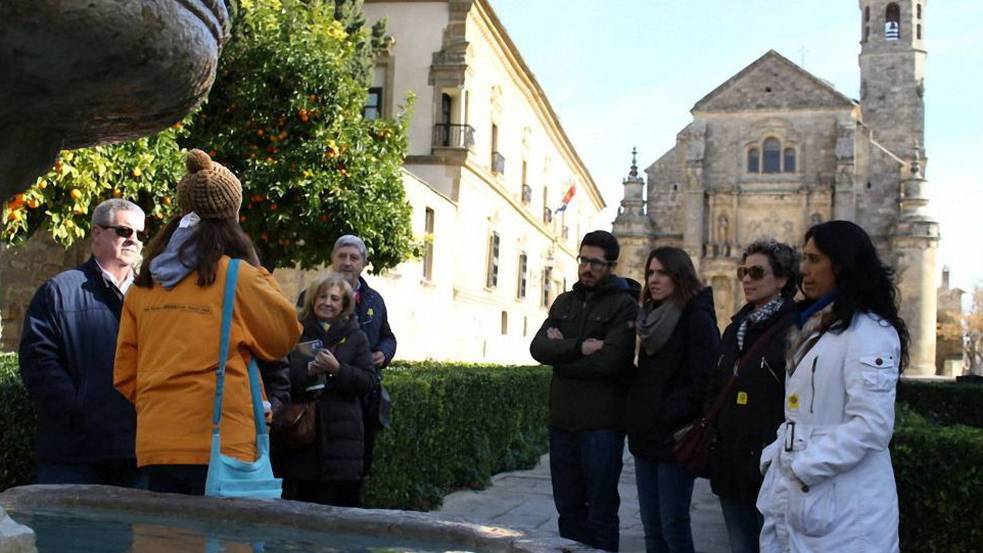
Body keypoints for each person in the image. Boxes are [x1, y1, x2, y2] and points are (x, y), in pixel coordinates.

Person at [114, 149, 301, 495]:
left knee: (163, 542)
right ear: (233, 216)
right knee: (225, 544)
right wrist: (256, 267)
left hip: (157, 443)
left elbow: (125, 374)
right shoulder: (239, 277)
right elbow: (284, 336)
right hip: (224, 443)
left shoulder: (144, 284)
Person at [756, 220, 907, 552]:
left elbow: (872, 426)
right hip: (805, 500)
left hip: (845, 510)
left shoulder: (869, 332)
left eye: (813, 260)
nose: (803, 270)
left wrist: (802, 467)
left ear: (841, 264)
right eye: (803, 259)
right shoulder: (816, 326)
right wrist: (778, 456)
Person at [19, 198, 147, 486]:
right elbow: (38, 363)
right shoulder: (59, 292)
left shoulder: (151, 295)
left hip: (137, 456)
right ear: (97, 234)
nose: (134, 241)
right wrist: (81, 411)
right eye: (125, 231)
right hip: (74, 456)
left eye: (140, 234)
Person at [529, 230, 640, 552]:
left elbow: (612, 361)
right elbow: (538, 348)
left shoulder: (624, 306)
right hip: (562, 424)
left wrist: (562, 354)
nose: (586, 268)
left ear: (611, 265)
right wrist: (581, 347)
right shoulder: (565, 302)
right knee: (569, 510)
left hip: (601, 428)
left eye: (595, 262)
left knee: (601, 513)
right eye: (583, 260)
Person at [625, 246, 720, 553]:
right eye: (650, 272)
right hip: (645, 437)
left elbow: (705, 381)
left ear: (679, 276)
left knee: (673, 526)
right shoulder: (650, 318)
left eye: (662, 273)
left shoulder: (696, 318)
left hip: (675, 438)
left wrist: (665, 414)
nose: (654, 279)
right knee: (651, 527)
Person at [708, 240, 799, 553]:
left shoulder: (796, 328)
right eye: (743, 271)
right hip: (730, 464)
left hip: (770, 467)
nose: (747, 279)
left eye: (757, 272)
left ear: (783, 279)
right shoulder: (736, 328)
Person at [301, 234, 397, 498]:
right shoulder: (307, 297)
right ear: (332, 259)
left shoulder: (373, 300)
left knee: (352, 474)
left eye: (354, 258)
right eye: (342, 256)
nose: (347, 262)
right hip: (314, 410)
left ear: (364, 263)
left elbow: (388, 336)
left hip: (358, 405)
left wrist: (384, 354)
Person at [273, 272, 376, 506]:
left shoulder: (356, 337)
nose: (327, 303)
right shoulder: (296, 332)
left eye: (334, 298)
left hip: (343, 441)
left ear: (344, 304)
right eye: (322, 297)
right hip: (301, 438)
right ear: (312, 300)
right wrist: (308, 369)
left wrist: (338, 369)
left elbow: (368, 381)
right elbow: (280, 376)